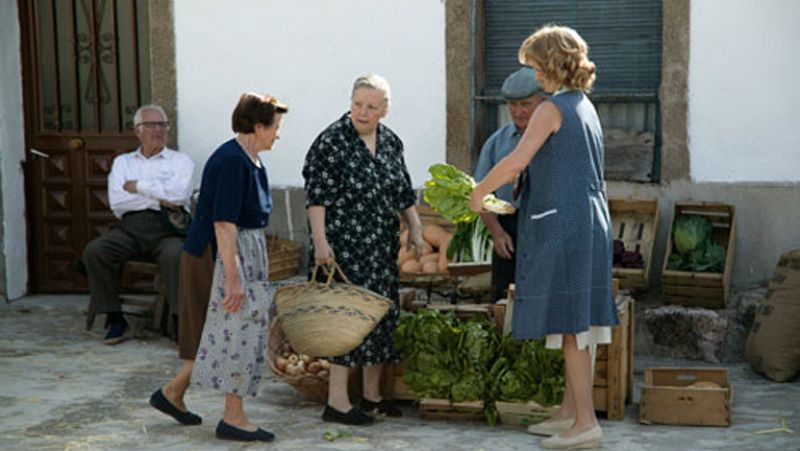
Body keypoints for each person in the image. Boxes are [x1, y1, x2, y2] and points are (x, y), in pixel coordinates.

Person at [468, 25, 618, 449]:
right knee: (575, 321)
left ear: (551, 64)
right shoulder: (582, 105)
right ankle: (570, 412)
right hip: (587, 219)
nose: (533, 74)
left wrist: (478, 192)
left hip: (565, 223)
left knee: (571, 326)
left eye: (534, 65)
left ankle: (585, 424)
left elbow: (516, 161)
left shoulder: (551, 109)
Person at [153, 92, 287, 442]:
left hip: (239, 252)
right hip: (221, 254)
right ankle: (233, 417)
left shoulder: (250, 158)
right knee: (237, 332)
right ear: (258, 126)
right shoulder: (232, 161)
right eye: (276, 127)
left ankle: (172, 393)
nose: (278, 134)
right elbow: (224, 223)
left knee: (226, 333)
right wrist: (234, 276)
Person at [302, 74, 425, 426]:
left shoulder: (389, 142)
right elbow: (317, 198)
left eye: (371, 106)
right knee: (345, 321)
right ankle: (337, 402)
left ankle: (372, 396)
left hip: (380, 247)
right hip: (342, 248)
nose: (362, 112)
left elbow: (402, 191)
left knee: (380, 318)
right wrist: (321, 244)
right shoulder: (331, 141)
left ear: (384, 110)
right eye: (357, 104)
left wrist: (415, 228)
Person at [82, 105, 193, 345]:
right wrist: (159, 194)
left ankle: (178, 320)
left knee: (176, 255)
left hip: (166, 228)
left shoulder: (180, 161)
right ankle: (115, 317)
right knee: (96, 251)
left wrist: (139, 186)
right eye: (151, 125)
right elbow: (118, 201)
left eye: (162, 125)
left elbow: (177, 197)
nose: (158, 130)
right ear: (137, 131)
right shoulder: (123, 162)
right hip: (130, 227)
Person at [474, 67, 546, 303]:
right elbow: (482, 192)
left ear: (543, 102)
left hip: (545, 226)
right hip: (509, 229)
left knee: (541, 302)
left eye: (525, 104)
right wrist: (497, 233)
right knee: (503, 302)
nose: (518, 112)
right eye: (512, 105)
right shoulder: (497, 142)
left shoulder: (555, 138)